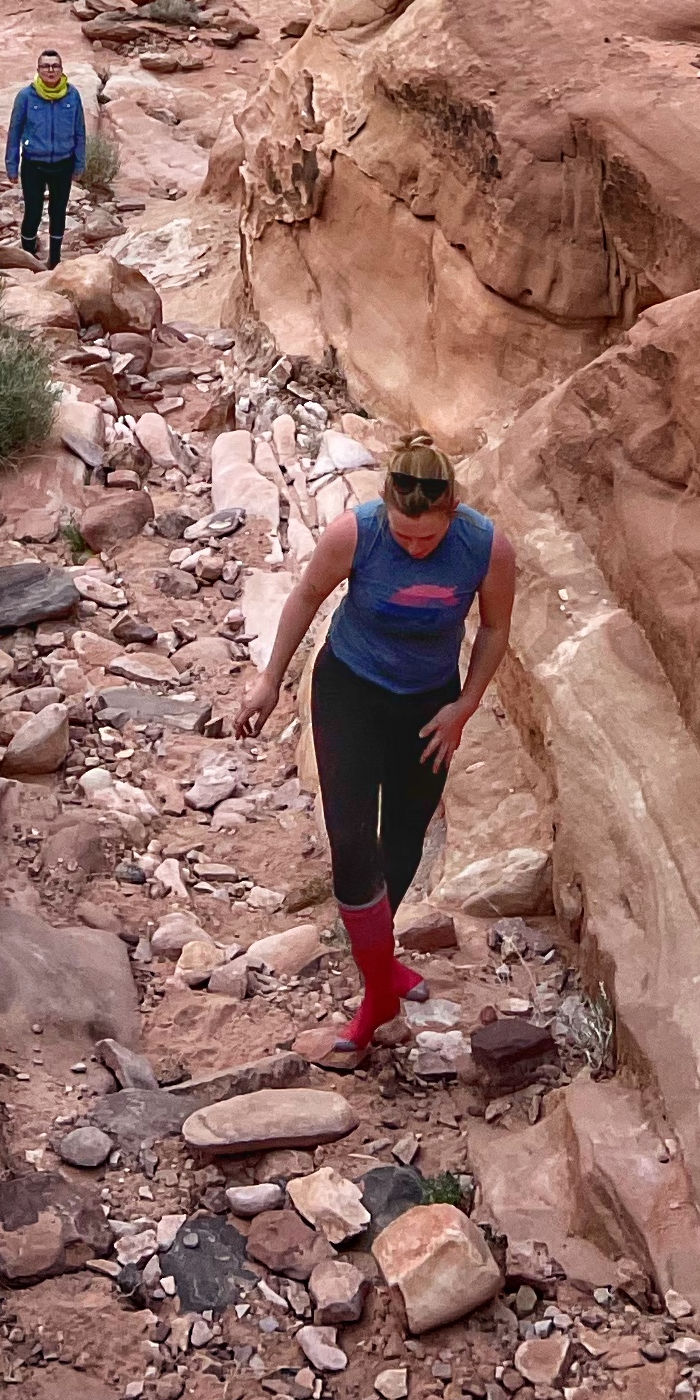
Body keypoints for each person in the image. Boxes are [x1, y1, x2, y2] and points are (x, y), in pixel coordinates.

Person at [229, 425, 515, 1051]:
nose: (413, 547)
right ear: (384, 508)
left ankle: (381, 969)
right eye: (402, 534)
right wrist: (268, 681)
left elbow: (494, 628)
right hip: (350, 690)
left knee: (405, 841)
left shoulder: (485, 547)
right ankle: (379, 992)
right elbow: (306, 595)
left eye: (428, 537)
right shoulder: (355, 532)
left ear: (453, 512)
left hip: (427, 705)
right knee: (352, 842)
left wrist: (464, 707)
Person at [3, 45, 87, 267]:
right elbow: (15, 131)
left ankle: (55, 260)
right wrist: (12, 165)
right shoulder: (26, 97)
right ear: (38, 70)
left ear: (61, 69)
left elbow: (80, 130)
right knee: (33, 211)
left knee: (58, 212)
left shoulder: (72, 95)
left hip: (63, 163)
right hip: (34, 164)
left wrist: (79, 163)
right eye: (46, 66)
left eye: (55, 66)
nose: (51, 70)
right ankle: (28, 256)